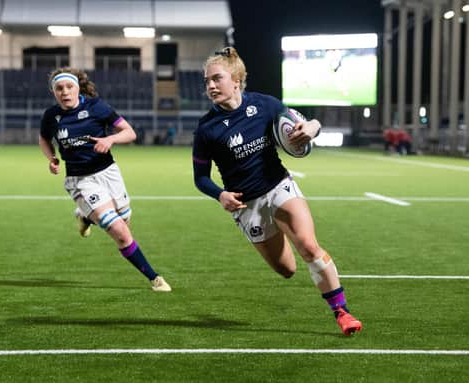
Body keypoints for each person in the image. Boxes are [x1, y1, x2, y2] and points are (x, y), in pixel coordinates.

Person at [192, 47, 362, 336]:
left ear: (236, 79)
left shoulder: (265, 105)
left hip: (279, 187)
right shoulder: (206, 129)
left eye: (216, 78)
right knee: (287, 270)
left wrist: (313, 127)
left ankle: (342, 312)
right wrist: (220, 194)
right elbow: (200, 178)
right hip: (247, 206)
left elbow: (304, 124)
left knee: (308, 245)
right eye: (207, 80)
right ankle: (283, 236)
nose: (210, 86)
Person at [38, 67, 171, 292]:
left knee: (125, 219)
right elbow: (43, 138)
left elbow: (129, 132)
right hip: (80, 180)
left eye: (69, 87)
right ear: (54, 92)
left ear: (77, 88)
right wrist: (52, 158)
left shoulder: (96, 107)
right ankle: (154, 278)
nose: (65, 92)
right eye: (59, 88)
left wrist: (110, 140)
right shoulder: (52, 116)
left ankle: (86, 218)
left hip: (109, 173)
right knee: (120, 231)